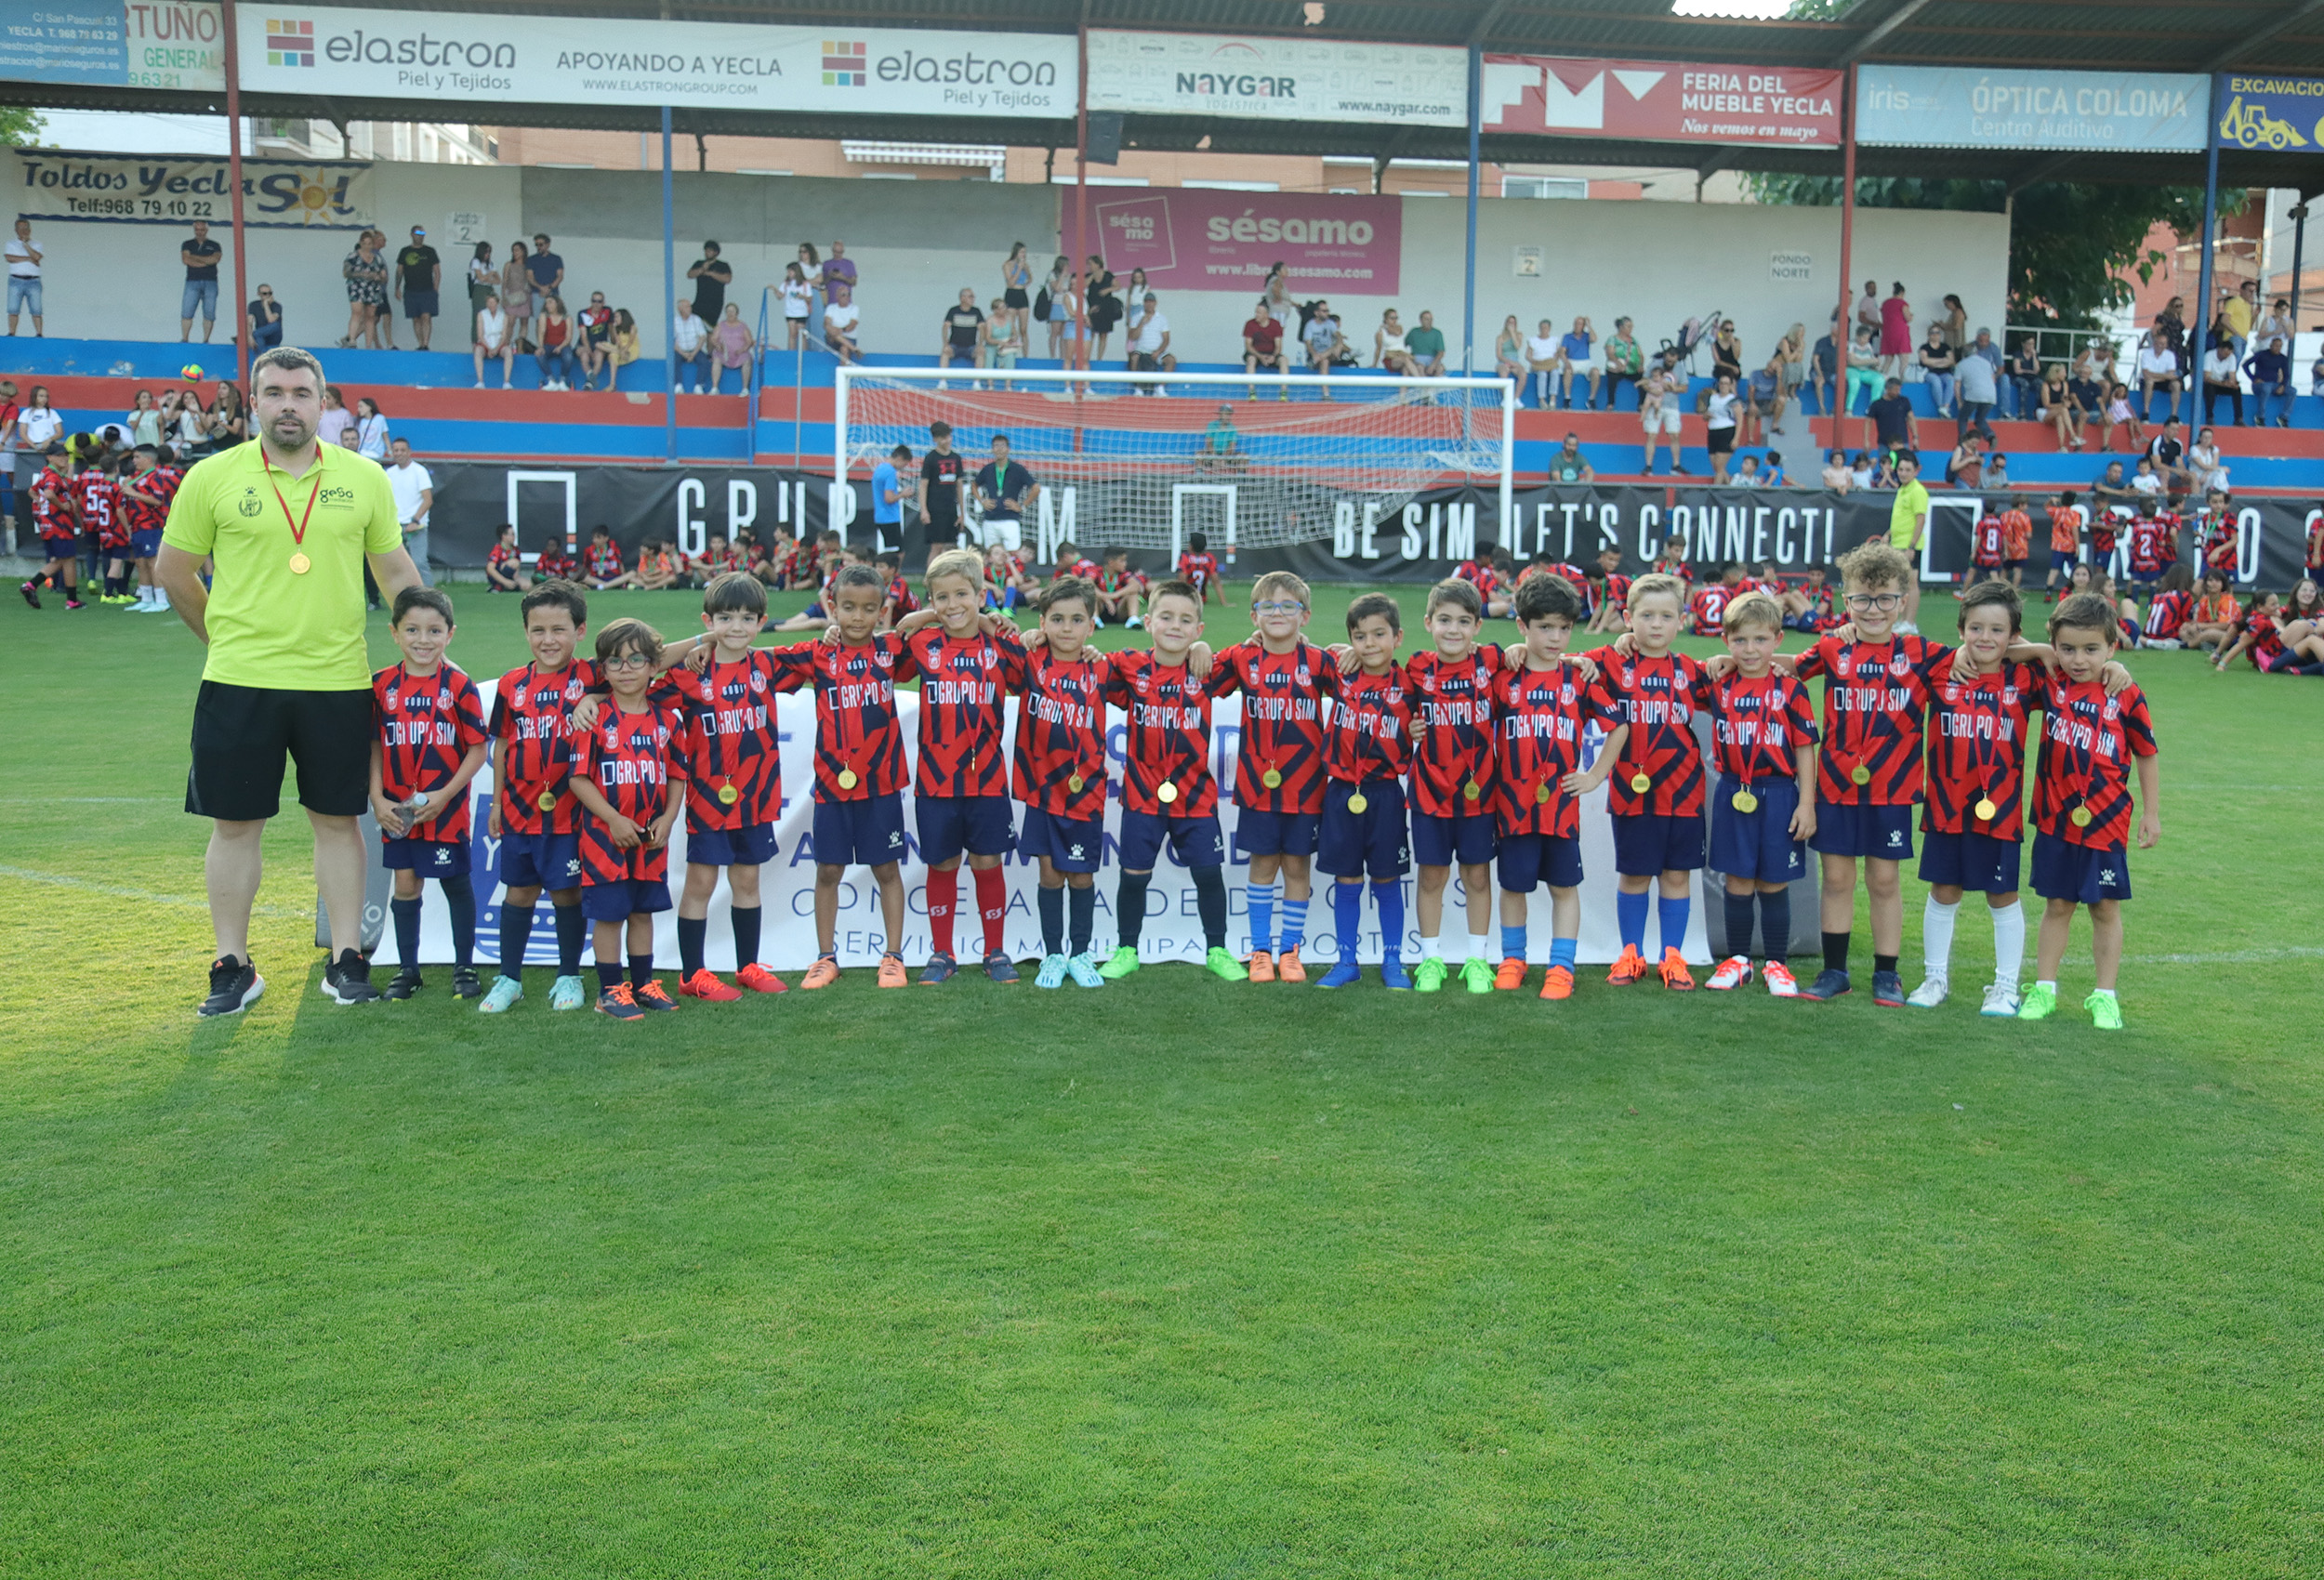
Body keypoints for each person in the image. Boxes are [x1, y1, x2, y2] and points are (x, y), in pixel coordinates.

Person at [156, 346, 419, 1014]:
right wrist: (223, 640)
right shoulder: (212, 477)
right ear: (253, 403)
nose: (288, 405)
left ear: (322, 403)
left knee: (339, 821)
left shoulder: (363, 477)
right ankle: (233, 965)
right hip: (239, 681)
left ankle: (346, 960)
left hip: (337, 680)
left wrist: (427, 643)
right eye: (274, 393)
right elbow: (173, 571)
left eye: (302, 393)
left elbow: (394, 572)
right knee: (235, 825)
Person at [2018, 594, 2160, 1030]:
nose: (2078, 660)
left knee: (2105, 909)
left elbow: (2147, 753)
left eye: (2091, 649)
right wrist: (2044, 651)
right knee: (2057, 905)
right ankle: (2044, 989)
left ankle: (2105, 996)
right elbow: (2001, 649)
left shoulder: (2126, 693)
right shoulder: (2050, 681)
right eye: (2068, 648)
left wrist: (2152, 813)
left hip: (2106, 821)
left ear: (2112, 647)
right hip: (2055, 818)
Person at [1095, 580, 1239, 981]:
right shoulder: (1128, 665)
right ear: (1147, 622)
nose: (1176, 626)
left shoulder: (1207, 669)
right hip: (1142, 796)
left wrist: (1205, 649)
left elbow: (1257, 649)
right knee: (1133, 876)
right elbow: (1082, 663)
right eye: (1166, 617)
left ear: (1199, 628)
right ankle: (1127, 949)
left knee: (1208, 874)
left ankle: (1217, 950)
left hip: (1195, 797)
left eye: (1186, 620)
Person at [1488, 575, 1618, 997]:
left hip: (1560, 809)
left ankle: (1561, 967)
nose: (1556, 637)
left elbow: (1618, 727)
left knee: (1564, 887)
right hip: (1513, 805)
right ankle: (1513, 959)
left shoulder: (1580, 677)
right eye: (1545, 627)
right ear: (1522, 626)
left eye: (1564, 628)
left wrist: (1595, 775)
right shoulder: (1504, 676)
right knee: (1513, 886)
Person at [1204, 573, 1333, 981]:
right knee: (1262, 866)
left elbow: (1362, 689)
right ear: (1254, 616)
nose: (1278, 613)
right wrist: (1205, 646)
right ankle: (1260, 950)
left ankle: (1290, 951)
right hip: (1258, 788)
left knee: (1296, 867)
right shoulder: (1243, 658)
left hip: (1306, 788)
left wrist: (1348, 651)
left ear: (1305, 616)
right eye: (1267, 606)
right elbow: (1202, 680)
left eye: (1288, 606)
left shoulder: (1319, 662)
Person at [477, 582, 596, 1013]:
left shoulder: (592, 677)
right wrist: (495, 803)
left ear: (580, 631)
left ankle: (569, 975)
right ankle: (509, 978)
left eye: (559, 629)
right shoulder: (512, 684)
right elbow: (502, 745)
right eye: (538, 630)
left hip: (571, 813)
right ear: (526, 631)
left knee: (566, 894)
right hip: (520, 811)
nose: (548, 640)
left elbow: (645, 662)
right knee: (519, 892)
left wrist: (703, 641)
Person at [367, 585, 490, 1001]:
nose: (423, 640)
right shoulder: (381, 685)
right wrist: (377, 798)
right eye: (412, 630)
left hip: (445, 809)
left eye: (434, 631)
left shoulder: (459, 685)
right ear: (394, 633)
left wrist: (446, 795)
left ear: (450, 634)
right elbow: (374, 745)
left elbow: (477, 749)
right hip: (396, 809)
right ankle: (408, 969)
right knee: (405, 883)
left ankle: (464, 966)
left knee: (455, 882)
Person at [1694, 590, 1817, 998]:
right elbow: (1673, 669)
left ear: (1777, 640)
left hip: (1779, 793)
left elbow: (1805, 748)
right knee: (1738, 880)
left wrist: (1806, 804)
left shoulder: (1791, 690)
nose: (1750, 649)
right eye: (1740, 640)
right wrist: (1719, 661)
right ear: (1726, 640)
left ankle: (1777, 964)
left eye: (1760, 640)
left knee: (1773, 882)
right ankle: (1739, 961)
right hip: (1733, 792)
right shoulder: (1717, 685)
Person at [563, 617, 687, 1020]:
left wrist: (669, 818)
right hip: (605, 840)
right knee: (610, 915)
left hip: (650, 840)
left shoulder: (668, 720)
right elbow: (578, 779)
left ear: (654, 666)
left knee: (641, 911)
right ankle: (610, 990)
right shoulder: (593, 718)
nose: (626, 669)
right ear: (603, 670)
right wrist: (613, 819)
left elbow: (677, 774)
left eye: (636, 660)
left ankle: (643, 983)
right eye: (615, 662)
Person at [1592, 574, 1706, 989]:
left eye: (1666, 616)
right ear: (1628, 618)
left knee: (1676, 877)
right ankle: (1631, 954)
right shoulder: (1610, 661)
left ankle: (1672, 957)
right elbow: (1556, 664)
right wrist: (1517, 649)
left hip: (1684, 792)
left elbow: (1748, 672)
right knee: (1635, 876)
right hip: (1631, 791)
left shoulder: (1693, 671)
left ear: (1681, 621)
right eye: (1646, 616)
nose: (1656, 624)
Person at [1006, 576, 1116, 986]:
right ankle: (1053, 955)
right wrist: (1023, 637)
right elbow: (988, 632)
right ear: (1042, 622)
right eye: (1056, 619)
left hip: (1084, 792)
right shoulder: (1029, 661)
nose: (1066, 628)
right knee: (1050, 875)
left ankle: (1081, 953)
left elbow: (1157, 668)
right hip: (1041, 791)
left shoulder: (1103, 668)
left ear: (1091, 625)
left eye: (1076, 620)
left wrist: (1199, 646)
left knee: (1082, 876)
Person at [1400, 578, 1503, 993]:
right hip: (1430, 794)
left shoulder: (1493, 660)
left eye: (1463, 621)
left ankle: (1477, 959)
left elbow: (1540, 656)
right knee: (1431, 878)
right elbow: (1381, 678)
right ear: (1428, 622)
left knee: (1477, 877)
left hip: (1479, 795)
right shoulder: (1416, 667)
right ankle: (1431, 959)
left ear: (1478, 626)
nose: (1453, 630)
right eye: (1444, 620)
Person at [1311, 593, 1415, 990]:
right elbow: (1295, 648)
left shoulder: (1411, 684)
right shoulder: (1339, 672)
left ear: (1398, 637)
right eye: (1360, 636)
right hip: (1341, 793)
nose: (1369, 644)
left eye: (1379, 634)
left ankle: (1393, 961)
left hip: (1385, 794)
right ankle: (1346, 961)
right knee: (1347, 879)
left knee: (1387, 880)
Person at [383, 435, 434, 585]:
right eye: (396, 450)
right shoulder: (389, 473)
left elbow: (428, 500)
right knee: (396, 566)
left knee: (419, 563)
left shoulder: (419, 471)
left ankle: (429, 595)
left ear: (409, 452)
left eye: (402, 450)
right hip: (395, 526)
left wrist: (415, 521)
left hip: (416, 526)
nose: (399, 453)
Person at [973, 434, 1036, 552]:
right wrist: (982, 501)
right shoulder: (988, 469)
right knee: (992, 553)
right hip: (990, 518)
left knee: (1012, 552)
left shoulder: (1017, 469)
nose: (999, 449)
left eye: (1002, 446)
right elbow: (974, 485)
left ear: (1008, 449)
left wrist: (1022, 506)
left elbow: (1036, 488)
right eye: (996, 446)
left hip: (1010, 518)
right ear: (992, 449)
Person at [918, 420, 966, 546]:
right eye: (943, 438)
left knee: (951, 546)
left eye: (948, 436)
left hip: (951, 509)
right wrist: (924, 510)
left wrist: (962, 513)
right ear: (935, 439)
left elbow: (959, 486)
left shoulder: (956, 458)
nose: (947, 440)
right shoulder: (930, 458)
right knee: (937, 546)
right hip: (935, 510)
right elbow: (923, 485)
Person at [393, 225, 441, 351]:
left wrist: (435, 289)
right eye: (417, 233)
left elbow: (437, 271)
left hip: (427, 290)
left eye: (422, 234)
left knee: (426, 316)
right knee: (415, 318)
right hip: (410, 290)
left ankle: (425, 344)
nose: (420, 236)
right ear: (412, 235)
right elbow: (399, 271)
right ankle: (420, 344)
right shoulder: (405, 251)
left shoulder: (430, 251)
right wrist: (397, 288)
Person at [1639, 352, 1684, 477]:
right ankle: (1648, 466)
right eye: (1668, 360)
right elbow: (1644, 381)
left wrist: (1673, 389)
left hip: (1672, 406)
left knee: (1674, 435)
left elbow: (1685, 387)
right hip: (1654, 404)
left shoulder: (1680, 367)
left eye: (1673, 361)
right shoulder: (1655, 365)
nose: (1670, 362)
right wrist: (1652, 390)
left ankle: (1676, 465)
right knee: (1651, 435)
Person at [342, 230, 387, 349]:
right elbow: (346, 272)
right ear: (360, 243)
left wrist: (379, 277)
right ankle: (352, 340)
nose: (367, 246)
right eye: (365, 243)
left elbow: (384, 276)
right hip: (357, 287)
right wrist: (362, 274)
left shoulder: (377, 258)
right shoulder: (353, 256)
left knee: (370, 316)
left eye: (369, 244)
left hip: (372, 288)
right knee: (357, 312)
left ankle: (368, 344)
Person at [180, 219, 222, 342]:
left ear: (207, 230)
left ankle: (206, 340)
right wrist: (206, 261)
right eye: (197, 230)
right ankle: (185, 339)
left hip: (211, 282)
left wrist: (194, 258)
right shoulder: (187, 244)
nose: (199, 232)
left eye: (202, 230)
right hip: (192, 281)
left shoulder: (215, 245)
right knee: (187, 311)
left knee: (209, 313)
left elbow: (214, 260)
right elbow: (186, 260)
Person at [1954, 332, 1997, 441]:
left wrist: (1959, 402)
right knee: (1980, 419)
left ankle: (1962, 440)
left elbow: (1957, 385)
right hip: (1990, 396)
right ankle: (1990, 436)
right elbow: (1993, 379)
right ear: (1976, 352)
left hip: (1973, 395)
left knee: (1963, 418)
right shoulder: (1986, 363)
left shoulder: (1960, 365)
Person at [1864, 375, 1917, 459]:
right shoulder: (1877, 404)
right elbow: (1868, 422)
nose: (1898, 392)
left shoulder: (1904, 401)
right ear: (1888, 389)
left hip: (1902, 442)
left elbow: (1911, 418)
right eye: (1896, 390)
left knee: (1904, 463)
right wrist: (1866, 440)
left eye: (1899, 389)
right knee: (1885, 464)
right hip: (1884, 443)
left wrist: (1915, 437)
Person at [937, 287, 984, 383]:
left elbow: (982, 328)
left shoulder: (976, 311)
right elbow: (945, 327)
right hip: (955, 346)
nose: (973, 299)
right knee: (945, 352)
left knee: (980, 352)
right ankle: (942, 382)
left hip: (971, 346)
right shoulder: (953, 310)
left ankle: (977, 383)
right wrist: (945, 344)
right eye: (971, 296)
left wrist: (980, 344)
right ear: (962, 298)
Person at [1703, 372, 1743, 483]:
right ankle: (1729, 487)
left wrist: (1736, 439)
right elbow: (1706, 415)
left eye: (1726, 383)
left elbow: (1740, 420)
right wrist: (1706, 416)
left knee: (1719, 466)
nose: (1723, 386)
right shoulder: (1713, 398)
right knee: (1716, 466)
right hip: (1713, 431)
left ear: (1730, 385)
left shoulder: (1733, 400)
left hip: (1727, 431)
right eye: (1721, 383)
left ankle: (1716, 489)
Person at [1126, 292, 1175, 381]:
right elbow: (1132, 337)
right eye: (1147, 302)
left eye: (1151, 301)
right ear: (1144, 303)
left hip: (1157, 351)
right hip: (1141, 350)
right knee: (1134, 358)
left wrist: (1158, 352)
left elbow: (1166, 339)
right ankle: (1136, 385)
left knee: (1171, 360)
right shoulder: (1136, 317)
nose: (1149, 304)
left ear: (1155, 303)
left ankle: (1161, 386)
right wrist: (1141, 323)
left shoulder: (1162, 318)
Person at [1244, 299, 1290, 392]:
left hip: (1271, 354)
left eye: (1259, 313)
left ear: (1267, 314)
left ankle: (1284, 391)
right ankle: (1251, 391)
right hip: (1255, 354)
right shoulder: (1250, 324)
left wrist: (1273, 356)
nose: (1256, 315)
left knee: (1284, 360)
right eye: (1256, 312)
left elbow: (1278, 346)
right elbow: (1248, 346)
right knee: (1251, 360)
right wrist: (1260, 357)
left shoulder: (1275, 324)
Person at [2245, 335, 2291, 427]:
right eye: (2275, 345)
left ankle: (2284, 417)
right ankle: (2260, 417)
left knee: (2293, 391)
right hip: (2259, 385)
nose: (2277, 348)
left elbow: (2286, 375)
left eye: (2280, 346)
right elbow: (2245, 365)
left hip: (2274, 385)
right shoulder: (2261, 354)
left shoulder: (2282, 358)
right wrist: (2253, 378)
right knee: (2266, 387)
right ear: (2270, 345)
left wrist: (2283, 385)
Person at [7, 217, 41, 336]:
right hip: (15, 279)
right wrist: (28, 259)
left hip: (33, 281)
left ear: (29, 230)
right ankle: (11, 333)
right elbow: (9, 258)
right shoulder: (11, 244)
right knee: (13, 309)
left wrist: (26, 244)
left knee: (36, 310)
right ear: (16, 230)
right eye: (20, 228)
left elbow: (37, 257)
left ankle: (39, 334)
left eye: (25, 228)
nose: (23, 231)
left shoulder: (37, 244)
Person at [1301, 300, 1345, 396]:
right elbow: (1308, 344)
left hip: (1328, 354)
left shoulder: (1330, 323)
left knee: (1337, 346)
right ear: (1316, 313)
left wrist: (1339, 344)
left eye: (1327, 311)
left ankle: (1326, 395)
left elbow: (1338, 335)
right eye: (1324, 311)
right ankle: (1326, 394)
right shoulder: (1310, 325)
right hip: (1315, 355)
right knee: (1324, 361)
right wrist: (1315, 354)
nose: (1327, 313)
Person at [2136, 331, 2181, 423]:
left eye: (2163, 344)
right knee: (2149, 382)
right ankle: (2146, 413)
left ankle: (2174, 415)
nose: (2161, 345)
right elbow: (2146, 373)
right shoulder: (2146, 353)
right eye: (2159, 343)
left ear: (2166, 345)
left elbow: (2171, 374)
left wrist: (2157, 376)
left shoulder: (2170, 355)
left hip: (2162, 381)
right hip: (2147, 380)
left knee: (2176, 385)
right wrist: (2165, 376)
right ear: (2154, 343)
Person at [472, 292, 514, 388]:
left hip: (499, 343)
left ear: (497, 303)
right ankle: (480, 381)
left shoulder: (503, 315)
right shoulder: (481, 314)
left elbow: (504, 336)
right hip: (485, 342)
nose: (491, 305)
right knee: (478, 351)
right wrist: (489, 348)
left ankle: (506, 382)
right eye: (489, 303)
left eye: (493, 302)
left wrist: (496, 349)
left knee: (508, 351)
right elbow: (480, 335)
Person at [684, 240, 731, 327]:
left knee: (709, 328)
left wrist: (710, 273)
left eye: (709, 251)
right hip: (700, 301)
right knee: (693, 324)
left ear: (716, 252)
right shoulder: (699, 263)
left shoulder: (723, 265)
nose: (707, 253)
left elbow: (727, 279)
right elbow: (690, 275)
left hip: (715, 303)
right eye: (706, 250)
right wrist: (702, 269)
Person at [871, 441, 909, 547]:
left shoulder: (880, 468)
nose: (903, 467)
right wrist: (903, 494)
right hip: (890, 517)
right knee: (897, 552)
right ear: (900, 458)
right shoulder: (890, 472)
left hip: (880, 516)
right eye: (904, 464)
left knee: (892, 549)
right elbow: (889, 498)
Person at [711, 303, 753, 394]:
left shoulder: (742, 326)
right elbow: (713, 339)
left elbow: (749, 341)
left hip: (739, 354)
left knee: (747, 359)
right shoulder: (721, 325)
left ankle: (745, 389)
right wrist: (718, 346)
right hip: (724, 353)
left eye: (732, 311)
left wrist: (742, 350)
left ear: (737, 313)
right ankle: (715, 388)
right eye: (728, 311)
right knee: (716, 359)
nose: (730, 313)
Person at [2202, 337, 2244, 427]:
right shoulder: (2209, 356)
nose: (2226, 356)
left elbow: (2232, 376)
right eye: (2225, 353)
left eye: (2228, 354)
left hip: (2222, 383)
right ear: (2219, 349)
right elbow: (2206, 378)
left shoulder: (2231, 357)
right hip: (2210, 383)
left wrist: (2232, 384)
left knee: (2237, 390)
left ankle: (2239, 419)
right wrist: (2222, 384)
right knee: (2210, 389)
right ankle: (2209, 418)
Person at [671, 298, 711, 393]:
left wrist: (693, 353)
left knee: (705, 362)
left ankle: (699, 385)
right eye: (687, 307)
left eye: (690, 306)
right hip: (680, 350)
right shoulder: (674, 321)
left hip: (695, 349)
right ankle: (678, 385)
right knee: (673, 360)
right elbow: (671, 341)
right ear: (680, 309)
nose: (690, 308)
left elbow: (702, 337)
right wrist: (683, 353)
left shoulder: (696, 319)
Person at [576, 291, 614, 389]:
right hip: (584, 344)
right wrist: (589, 350)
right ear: (591, 301)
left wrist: (614, 344)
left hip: (600, 344)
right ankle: (591, 380)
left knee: (599, 357)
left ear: (603, 302)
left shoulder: (608, 311)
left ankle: (589, 383)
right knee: (584, 356)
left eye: (599, 301)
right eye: (594, 301)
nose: (596, 304)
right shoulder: (583, 313)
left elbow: (611, 329)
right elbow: (583, 335)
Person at [499, 239, 534, 349]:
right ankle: (506, 344)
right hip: (512, 295)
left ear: (523, 251)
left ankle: (520, 345)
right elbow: (504, 281)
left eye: (517, 250)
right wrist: (503, 296)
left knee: (524, 322)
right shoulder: (509, 265)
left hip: (525, 295)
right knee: (510, 321)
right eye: (513, 250)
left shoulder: (528, 265)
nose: (515, 253)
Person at [1524, 318, 1564, 408]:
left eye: (1546, 328)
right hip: (1538, 364)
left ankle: (1553, 398)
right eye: (1542, 328)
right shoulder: (1533, 340)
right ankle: (1542, 400)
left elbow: (1558, 353)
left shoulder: (1554, 340)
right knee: (1542, 374)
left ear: (1549, 329)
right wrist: (1534, 361)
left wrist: (1554, 360)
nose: (1544, 330)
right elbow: (1528, 355)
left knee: (1555, 373)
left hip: (1550, 363)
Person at [1177, 530, 1222, 605]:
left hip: (1188, 599)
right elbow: (1215, 580)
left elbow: (1182, 578)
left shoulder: (1185, 557)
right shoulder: (1210, 558)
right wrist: (1224, 602)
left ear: (1191, 546)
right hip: (1201, 599)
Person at [1877, 283, 1913, 376]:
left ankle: (1881, 377)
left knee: (1888, 359)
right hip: (1900, 332)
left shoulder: (1885, 303)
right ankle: (1902, 380)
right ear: (1902, 293)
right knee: (1904, 359)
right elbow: (1908, 318)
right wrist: (1911, 316)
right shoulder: (1903, 303)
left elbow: (1884, 317)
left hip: (1887, 331)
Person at [1197, 404, 1244, 475]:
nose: (1228, 417)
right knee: (1199, 455)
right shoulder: (1212, 425)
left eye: (1229, 415)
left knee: (1243, 457)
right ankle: (1199, 476)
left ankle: (1241, 477)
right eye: (1226, 414)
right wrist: (1214, 457)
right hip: (1212, 454)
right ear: (1220, 414)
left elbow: (1232, 446)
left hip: (1227, 455)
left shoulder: (1233, 428)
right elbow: (1209, 443)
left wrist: (1224, 458)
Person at [465, 242, 496, 343]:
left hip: (489, 289)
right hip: (479, 289)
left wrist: (487, 278)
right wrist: (490, 275)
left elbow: (498, 280)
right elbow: (480, 278)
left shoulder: (490, 264)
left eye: (489, 252)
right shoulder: (476, 262)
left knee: (490, 315)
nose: (488, 254)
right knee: (479, 315)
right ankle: (476, 340)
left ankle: (488, 340)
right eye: (486, 252)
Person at [525, 232, 564, 310]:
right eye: (536, 245)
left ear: (548, 244)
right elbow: (530, 277)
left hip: (553, 293)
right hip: (537, 293)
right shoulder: (531, 259)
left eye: (541, 244)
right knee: (538, 317)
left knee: (553, 316)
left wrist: (549, 288)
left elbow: (560, 276)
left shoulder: (556, 259)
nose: (538, 247)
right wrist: (541, 288)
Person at [824, 283, 860, 364]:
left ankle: (843, 369)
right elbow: (827, 323)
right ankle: (853, 348)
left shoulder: (854, 308)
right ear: (837, 296)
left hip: (849, 338)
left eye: (848, 294)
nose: (847, 297)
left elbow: (852, 326)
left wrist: (839, 330)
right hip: (833, 339)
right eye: (843, 295)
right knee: (830, 330)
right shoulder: (831, 308)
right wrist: (834, 331)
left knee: (844, 348)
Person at [1406, 309, 1446, 378]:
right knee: (1420, 367)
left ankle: (1434, 385)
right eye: (1426, 319)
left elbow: (1441, 352)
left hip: (1432, 359)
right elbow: (1404, 344)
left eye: (1431, 319)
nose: (1429, 322)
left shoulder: (1437, 333)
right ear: (1421, 320)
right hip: (1417, 359)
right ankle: (1423, 385)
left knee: (1440, 368)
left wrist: (1433, 365)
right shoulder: (1414, 332)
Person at [1375, 309, 1416, 375]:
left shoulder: (1399, 327)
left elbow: (1397, 333)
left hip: (1402, 354)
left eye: (1396, 318)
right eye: (1392, 318)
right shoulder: (1380, 333)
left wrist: (1386, 327)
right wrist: (1375, 364)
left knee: (1405, 368)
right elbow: (1378, 349)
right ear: (1386, 319)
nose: (1394, 320)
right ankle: (1420, 380)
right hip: (1391, 357)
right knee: (1406, 360)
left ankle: (1407, 381)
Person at [246, 284, 284, 354]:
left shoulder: (277, 305)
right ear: (258, 294)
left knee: (276, 325)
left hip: (274, 336)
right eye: (264, 293)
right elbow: (249, 322)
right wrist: (249, 336)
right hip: (260, 334)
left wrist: (266, 304)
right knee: (258, 337)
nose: (268, 295)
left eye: (270, 293)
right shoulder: (253, 305)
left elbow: (271, 320)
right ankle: (262, 358)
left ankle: (254, 334)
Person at [353, 395, 389, 462]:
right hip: (362, 452)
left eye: (361, 406)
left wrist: (390, 451)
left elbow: (385, 436)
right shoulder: (359, 421)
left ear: (369, 407)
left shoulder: (380, 418)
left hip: (377, 453)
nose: (358, 409)